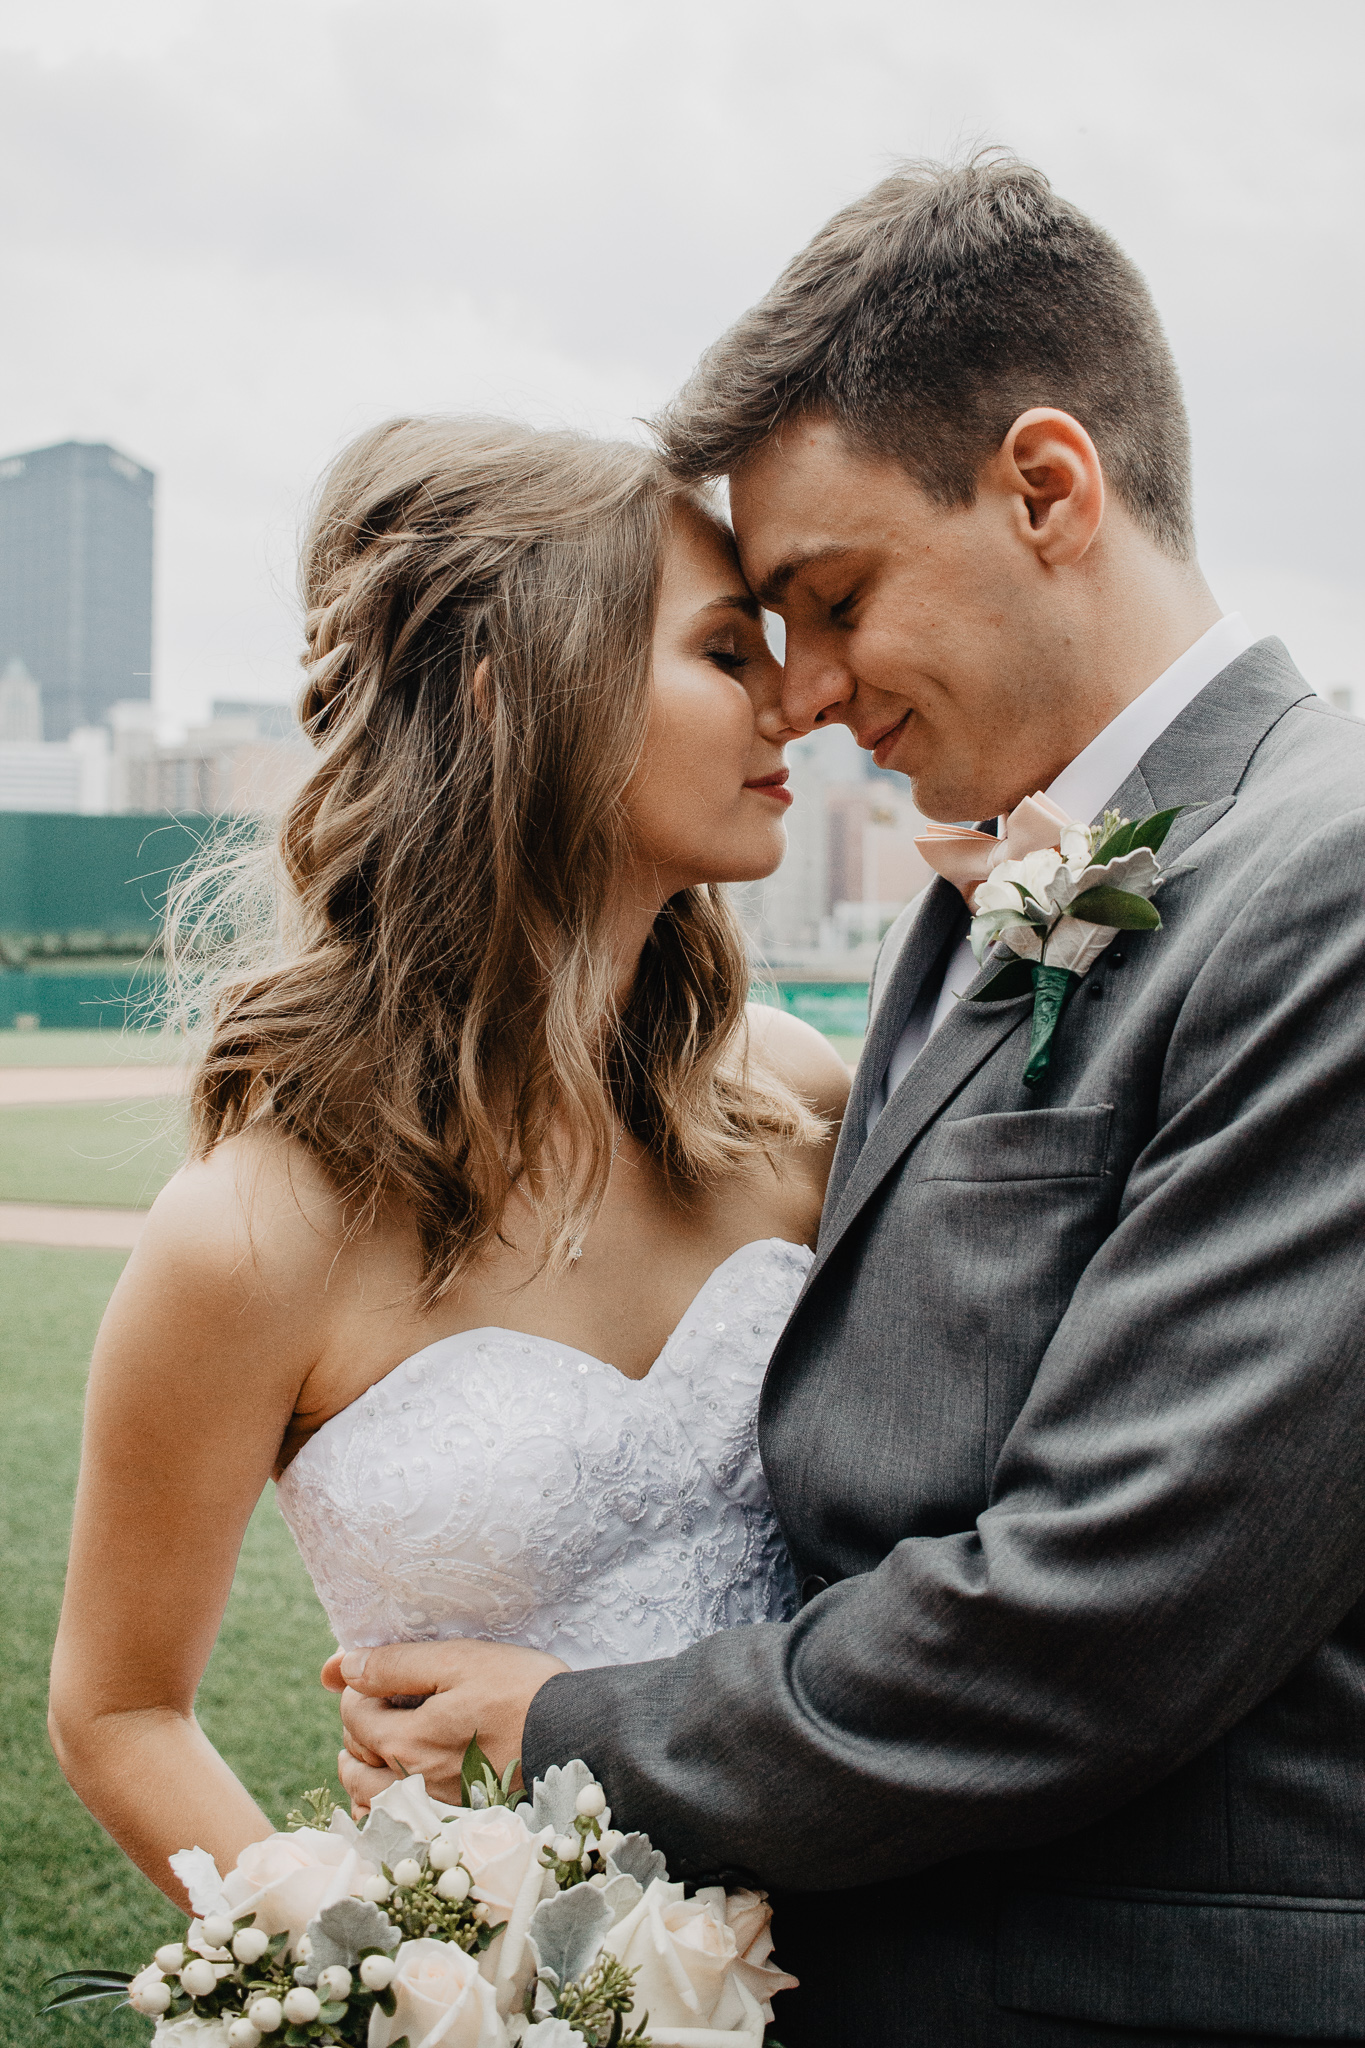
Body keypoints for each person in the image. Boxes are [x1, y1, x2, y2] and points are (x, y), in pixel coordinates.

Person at [333, 160, 1365, 2045]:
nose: (797, 693)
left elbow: (1108, 1613)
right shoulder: (988, 882)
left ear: (1047, 487)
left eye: (828, 597)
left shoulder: (1331, 881)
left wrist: (565, 1727)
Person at [46, 416, 849, 1905]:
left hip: (899, 1950)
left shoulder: (799, 1101)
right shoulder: (250, 1236)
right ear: (515, 694)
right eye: (727, 651)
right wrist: (384, 1984)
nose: (796, 700)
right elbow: (117, 1711)